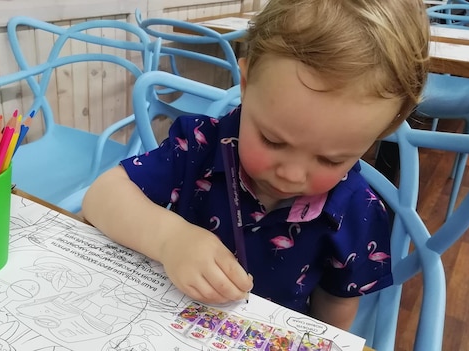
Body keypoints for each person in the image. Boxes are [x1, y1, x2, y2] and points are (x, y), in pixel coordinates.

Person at [82, 0, 429, 330]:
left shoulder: (358, 212)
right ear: (246, 85)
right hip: (163, 318)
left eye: (331, 159)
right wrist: (170, 238)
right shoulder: (199, 147)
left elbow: (335, 307)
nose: (292, 175)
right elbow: (101, 196)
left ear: (378, 135)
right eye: (273, 140)